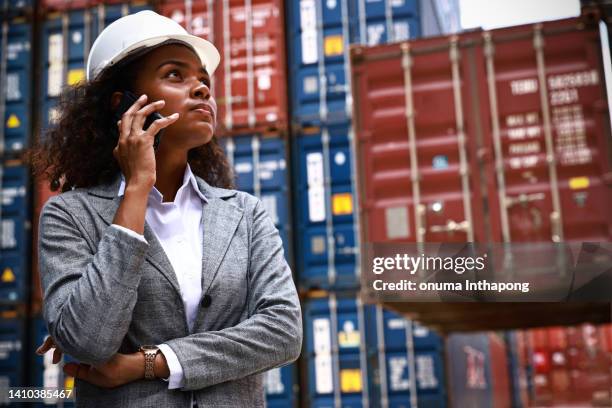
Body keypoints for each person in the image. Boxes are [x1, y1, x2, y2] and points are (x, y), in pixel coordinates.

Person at [30, 10, 302, 408]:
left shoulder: (244, 214)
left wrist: (149, 363)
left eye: (204, 81)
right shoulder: (69, 217)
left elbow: (283, 332)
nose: (202, 90)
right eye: (175, 75)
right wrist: (137, 188)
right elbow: (89, 340)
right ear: (123, 104)